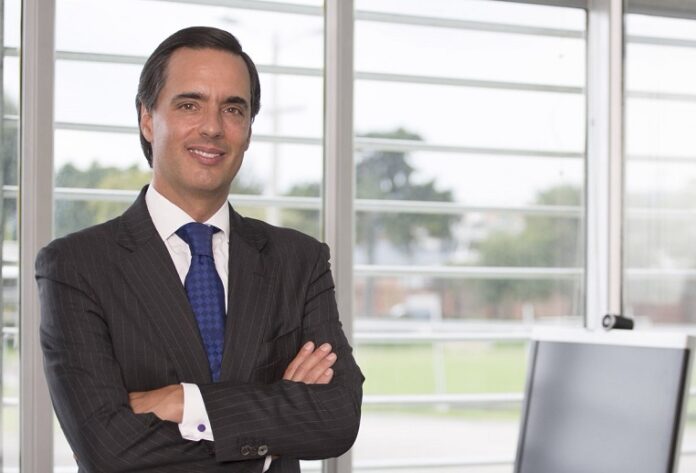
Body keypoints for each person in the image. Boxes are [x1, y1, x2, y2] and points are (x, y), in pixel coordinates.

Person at [35, 26, 364, 473]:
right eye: (189, 105)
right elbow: (106, 450)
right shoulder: (76, 265)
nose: (212, 127)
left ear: (248, 131)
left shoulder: (299, 260)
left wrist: (184, 402)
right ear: (147, 119)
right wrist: (270, 437)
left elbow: (337, 418)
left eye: (233, 109)